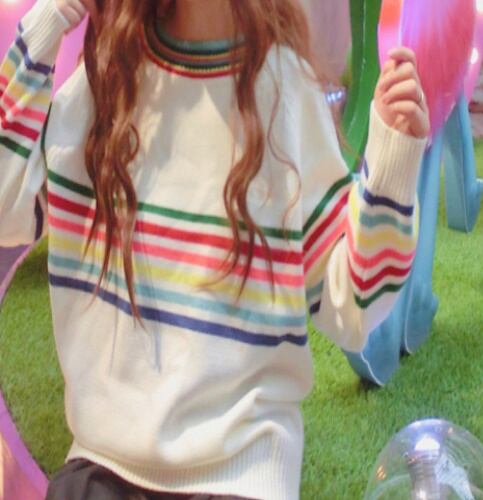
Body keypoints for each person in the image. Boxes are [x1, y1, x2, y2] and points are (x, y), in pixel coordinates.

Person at [0, 0, 429, 498]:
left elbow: (352, 305)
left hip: (241, 471)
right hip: (101, 465)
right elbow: (7, 212)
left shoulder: (285, 91)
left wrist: (392, 160)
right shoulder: (103, 76)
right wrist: (48, 21)